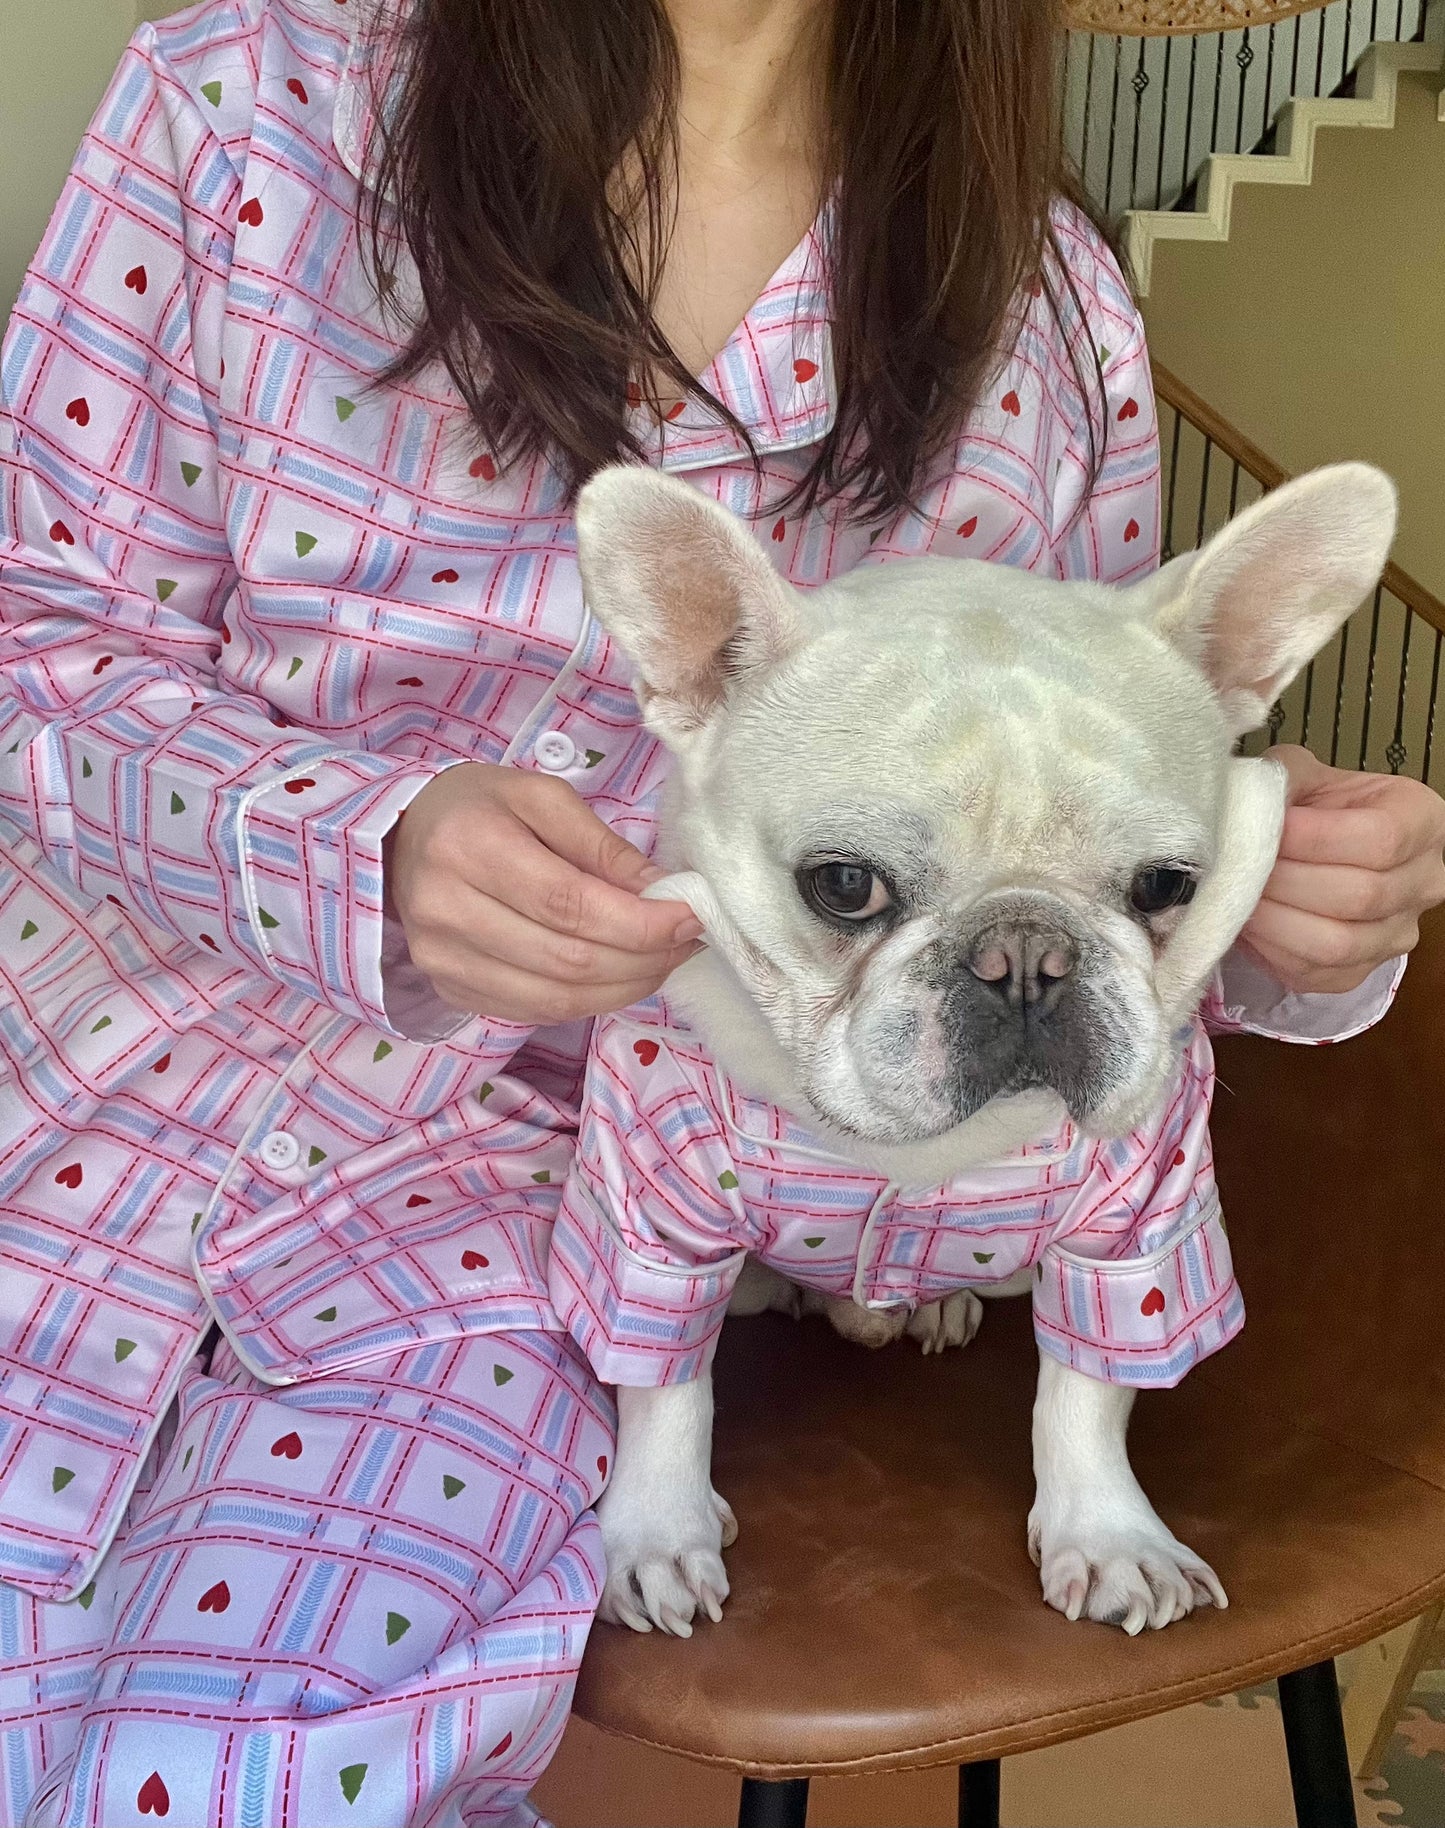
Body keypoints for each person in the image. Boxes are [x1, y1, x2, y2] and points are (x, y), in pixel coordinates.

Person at [0, 0, 1440, 1822]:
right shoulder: (243, 110)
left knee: (262, 1777)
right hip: (75, 1063)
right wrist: (354, 843)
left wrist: (1283, 923)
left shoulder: (1046, 315)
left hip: (529, 1208)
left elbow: (1055, 888)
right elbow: (35, 635)